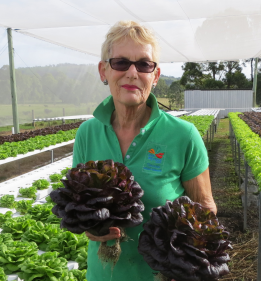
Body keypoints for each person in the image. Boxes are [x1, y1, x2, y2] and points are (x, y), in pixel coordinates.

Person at [72, 20, 217, 281]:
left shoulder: (183, 135)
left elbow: (205, 209)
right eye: (120, 62)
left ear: (155, 75)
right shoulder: (87, 133)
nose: (132, 73)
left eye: (143, 64)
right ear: (103, 70)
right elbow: (78, 202)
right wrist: (89, 229)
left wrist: (187, 262)